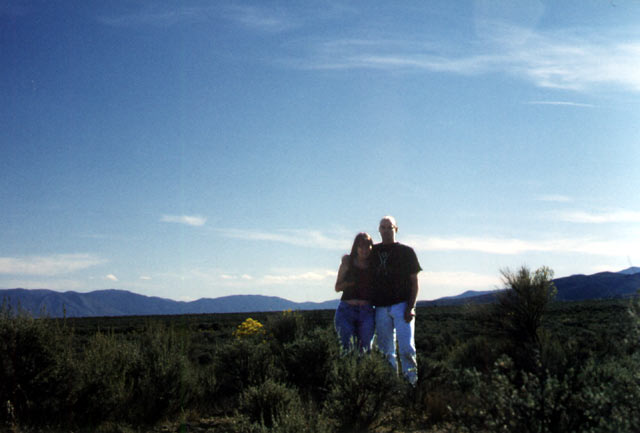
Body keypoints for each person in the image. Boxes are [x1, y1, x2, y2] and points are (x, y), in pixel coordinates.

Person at [371, 216, 422, 385]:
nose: (386, 230)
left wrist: (411, 306)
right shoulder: (373, 252)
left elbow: (414, 282)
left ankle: (411, 385)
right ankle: (391, 387)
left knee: (407, 348)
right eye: (383, 227)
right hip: (380, 307)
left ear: (396, 229)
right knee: (386, 350)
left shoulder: (406, 252)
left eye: (389, 227)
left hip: (402, 306)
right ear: (379, 230)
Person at [334, 232, 376, 352]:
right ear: (356, 247)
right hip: (346, 311)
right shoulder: (348, 263)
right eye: (361, 246)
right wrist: (348, 283)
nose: (364, 249)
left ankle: (364, 371)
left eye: (367, 246)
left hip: (366, 311)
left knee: (365, 349)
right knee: (346, 349)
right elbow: (337, 287)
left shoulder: (374, 265)